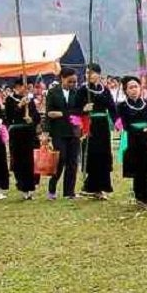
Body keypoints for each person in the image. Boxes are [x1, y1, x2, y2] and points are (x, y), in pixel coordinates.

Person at [116, 75, 147, 209]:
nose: (134, 90)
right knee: (139, 168)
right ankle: (143, 197)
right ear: (125, 90)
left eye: (136, 86)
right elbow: (123, 124)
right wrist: (139, 131)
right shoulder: (122, 106)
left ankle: (144, 193)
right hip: (133, 138)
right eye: (130, 87)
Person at [43, 67, 84, 200]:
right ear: (62, 79)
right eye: (70, 81)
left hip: (74, 131)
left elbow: (78, 111)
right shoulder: (53, 92)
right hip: (58, 132)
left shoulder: (77, 93)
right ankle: (52, 188)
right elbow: (49, 113)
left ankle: (69, 192)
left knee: (72, 162)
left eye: (74, 82)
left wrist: (62, 114)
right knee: (60, 159)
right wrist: (46, 132)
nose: (72, 84)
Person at [80, 63, 118, 200]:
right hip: (89, 125)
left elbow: (112, 108)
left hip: (103, 125)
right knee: (92, 154)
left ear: (98, 74)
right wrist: (84, 109)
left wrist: (118, 123)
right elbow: (74, 109)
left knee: (104, 154)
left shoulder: (105, 90)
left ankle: (102, 187)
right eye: (86, 73)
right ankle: (90, 186)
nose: (88, 75)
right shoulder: (83, 90)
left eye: (91, 73)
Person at [3, 79, 39, 200]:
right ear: (17, 87)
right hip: (17, 133)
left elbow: (36, 116)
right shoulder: (10, 100)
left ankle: (31, 188)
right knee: (19, 161)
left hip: (29, 133)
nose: (26, 89)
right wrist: (20, 105)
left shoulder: (30, 100)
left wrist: (32, 119)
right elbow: (8, 117)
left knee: (30, 161)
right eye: (24, 86)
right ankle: (23, 187)